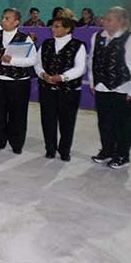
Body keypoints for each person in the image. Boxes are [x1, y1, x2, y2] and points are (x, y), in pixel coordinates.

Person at [88, 7, 131, 169]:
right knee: (104, 122)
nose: (104, 22)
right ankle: (107, 150)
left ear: (121, 21)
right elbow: (92, 61)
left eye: (109, 19)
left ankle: (123, 155)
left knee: (122, 123)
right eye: (104, 19)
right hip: (102, 86)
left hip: (124, 88)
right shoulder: (97, 37)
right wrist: (93, 82)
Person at [0, 7, 37, 154]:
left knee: (17, 114)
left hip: (18, 82)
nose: (3, 20)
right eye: (3, 17)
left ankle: (16, 143)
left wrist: (13, 60)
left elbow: (32, 60)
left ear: (16, 22)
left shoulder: (25, 38)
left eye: (8, 18)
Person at [34, 9, 86, 161]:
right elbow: (38, 63)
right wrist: (43, 74)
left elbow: (80, 68)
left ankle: (64, 151)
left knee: (67, 122)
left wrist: (62, 77)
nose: (53, 29)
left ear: (68, 28)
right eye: (53, 26)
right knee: (48, 120)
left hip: (69, 91)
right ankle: (50, 149)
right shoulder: (47, 44)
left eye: (57, 26)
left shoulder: (78, 45)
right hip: (47, 89)